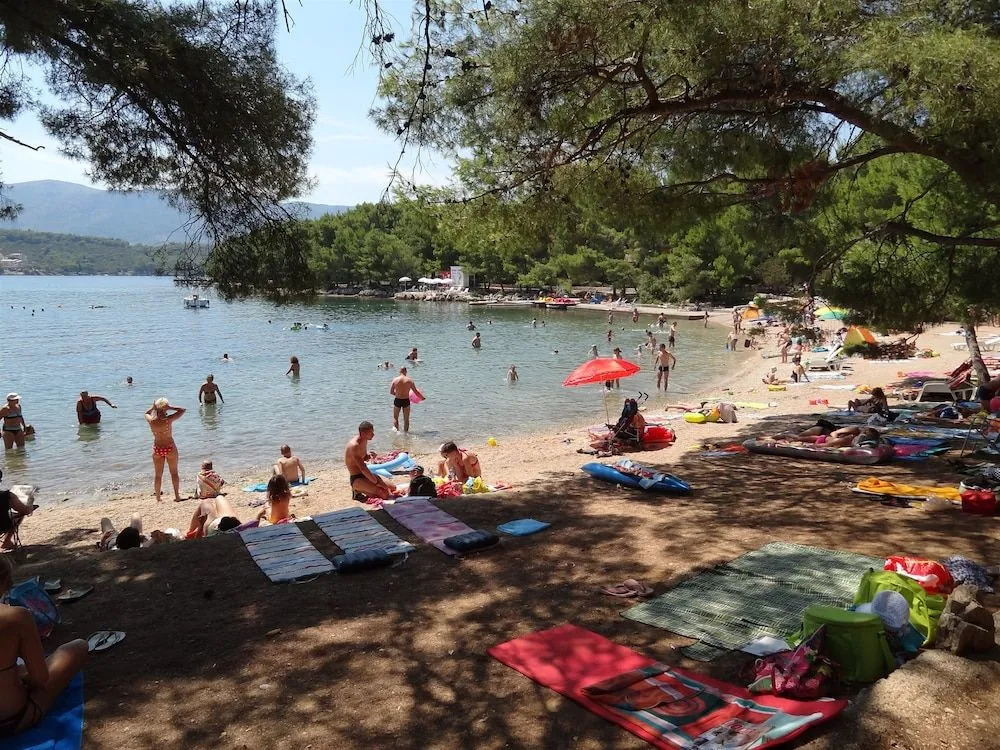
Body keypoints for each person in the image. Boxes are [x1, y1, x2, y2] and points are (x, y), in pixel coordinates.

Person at [0, 557, 88, 739]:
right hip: (12, 719)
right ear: (4, 581)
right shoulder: (16, 616)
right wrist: (20, 677)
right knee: (78, 647)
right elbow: (40, 679)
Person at [144, 398, 186, 502]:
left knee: (158, 475)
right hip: (170, 447)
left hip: (157, 449)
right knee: (174, 473)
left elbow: (146, 413)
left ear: (156, 408)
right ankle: (177, 496)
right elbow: (182, 410)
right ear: (165, 408)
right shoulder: (168, 420)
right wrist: (170, 407)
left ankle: (158, 498)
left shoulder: (151, 421)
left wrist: (153, 408)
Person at [345, 421, 392, 501]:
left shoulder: (364, 440)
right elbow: (362, 468)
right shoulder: (354, 446)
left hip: (366, 475)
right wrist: (377, 483)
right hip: (357, 478)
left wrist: (368, 456)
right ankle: (356, 490)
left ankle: (367, 489)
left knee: (392, 487)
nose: (373, 435)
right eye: (371, 433)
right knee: (384, 494)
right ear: (363, 433)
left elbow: (362, 458)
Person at [0, 473, 36, 551]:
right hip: (2, 526)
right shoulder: (7, 496)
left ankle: (7, 542)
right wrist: (30, 501)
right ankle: (7, 541)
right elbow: (26, 511)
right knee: (20, 515)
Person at [389, 366, 425, 433]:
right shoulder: (410, 380)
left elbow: (391, 392)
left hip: (397, 400)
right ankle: (405, 434)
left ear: (400, 371)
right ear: (406, 371)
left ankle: (397, 433)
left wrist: (397, 394)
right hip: (406, 400)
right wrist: (422, 397)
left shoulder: (395, 380)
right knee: (406, 419)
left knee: (395, 418)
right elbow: (416, 392)